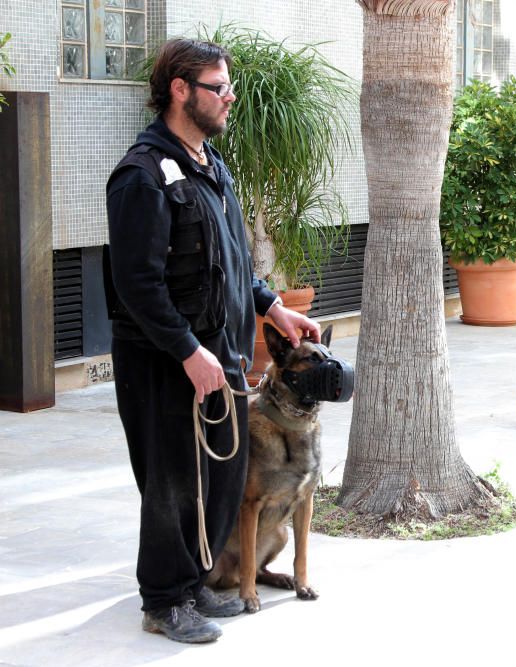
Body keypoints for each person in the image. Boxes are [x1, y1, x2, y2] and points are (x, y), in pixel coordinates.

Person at [105, 38, 321, 643]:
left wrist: (275, 309)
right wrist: (186, 352)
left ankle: (195, 582)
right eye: (218, 87)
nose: (230, 99)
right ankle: (163, 601)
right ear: (181, 90)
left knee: (217, 480)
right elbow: (137, 286)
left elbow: (230, 265)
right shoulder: (142, 176)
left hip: (218, 359)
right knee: (172, 481)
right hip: (165, 364)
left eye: (229, 88)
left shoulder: (212, 168)